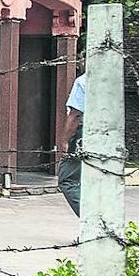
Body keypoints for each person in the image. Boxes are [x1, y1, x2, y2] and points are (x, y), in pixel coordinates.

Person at [58, 71, 87, 215]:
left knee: (67, 179)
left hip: (83, 134)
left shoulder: (83, 81)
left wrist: (65, 141)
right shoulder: (113, 81)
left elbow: (75, 114)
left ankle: (92, 221)